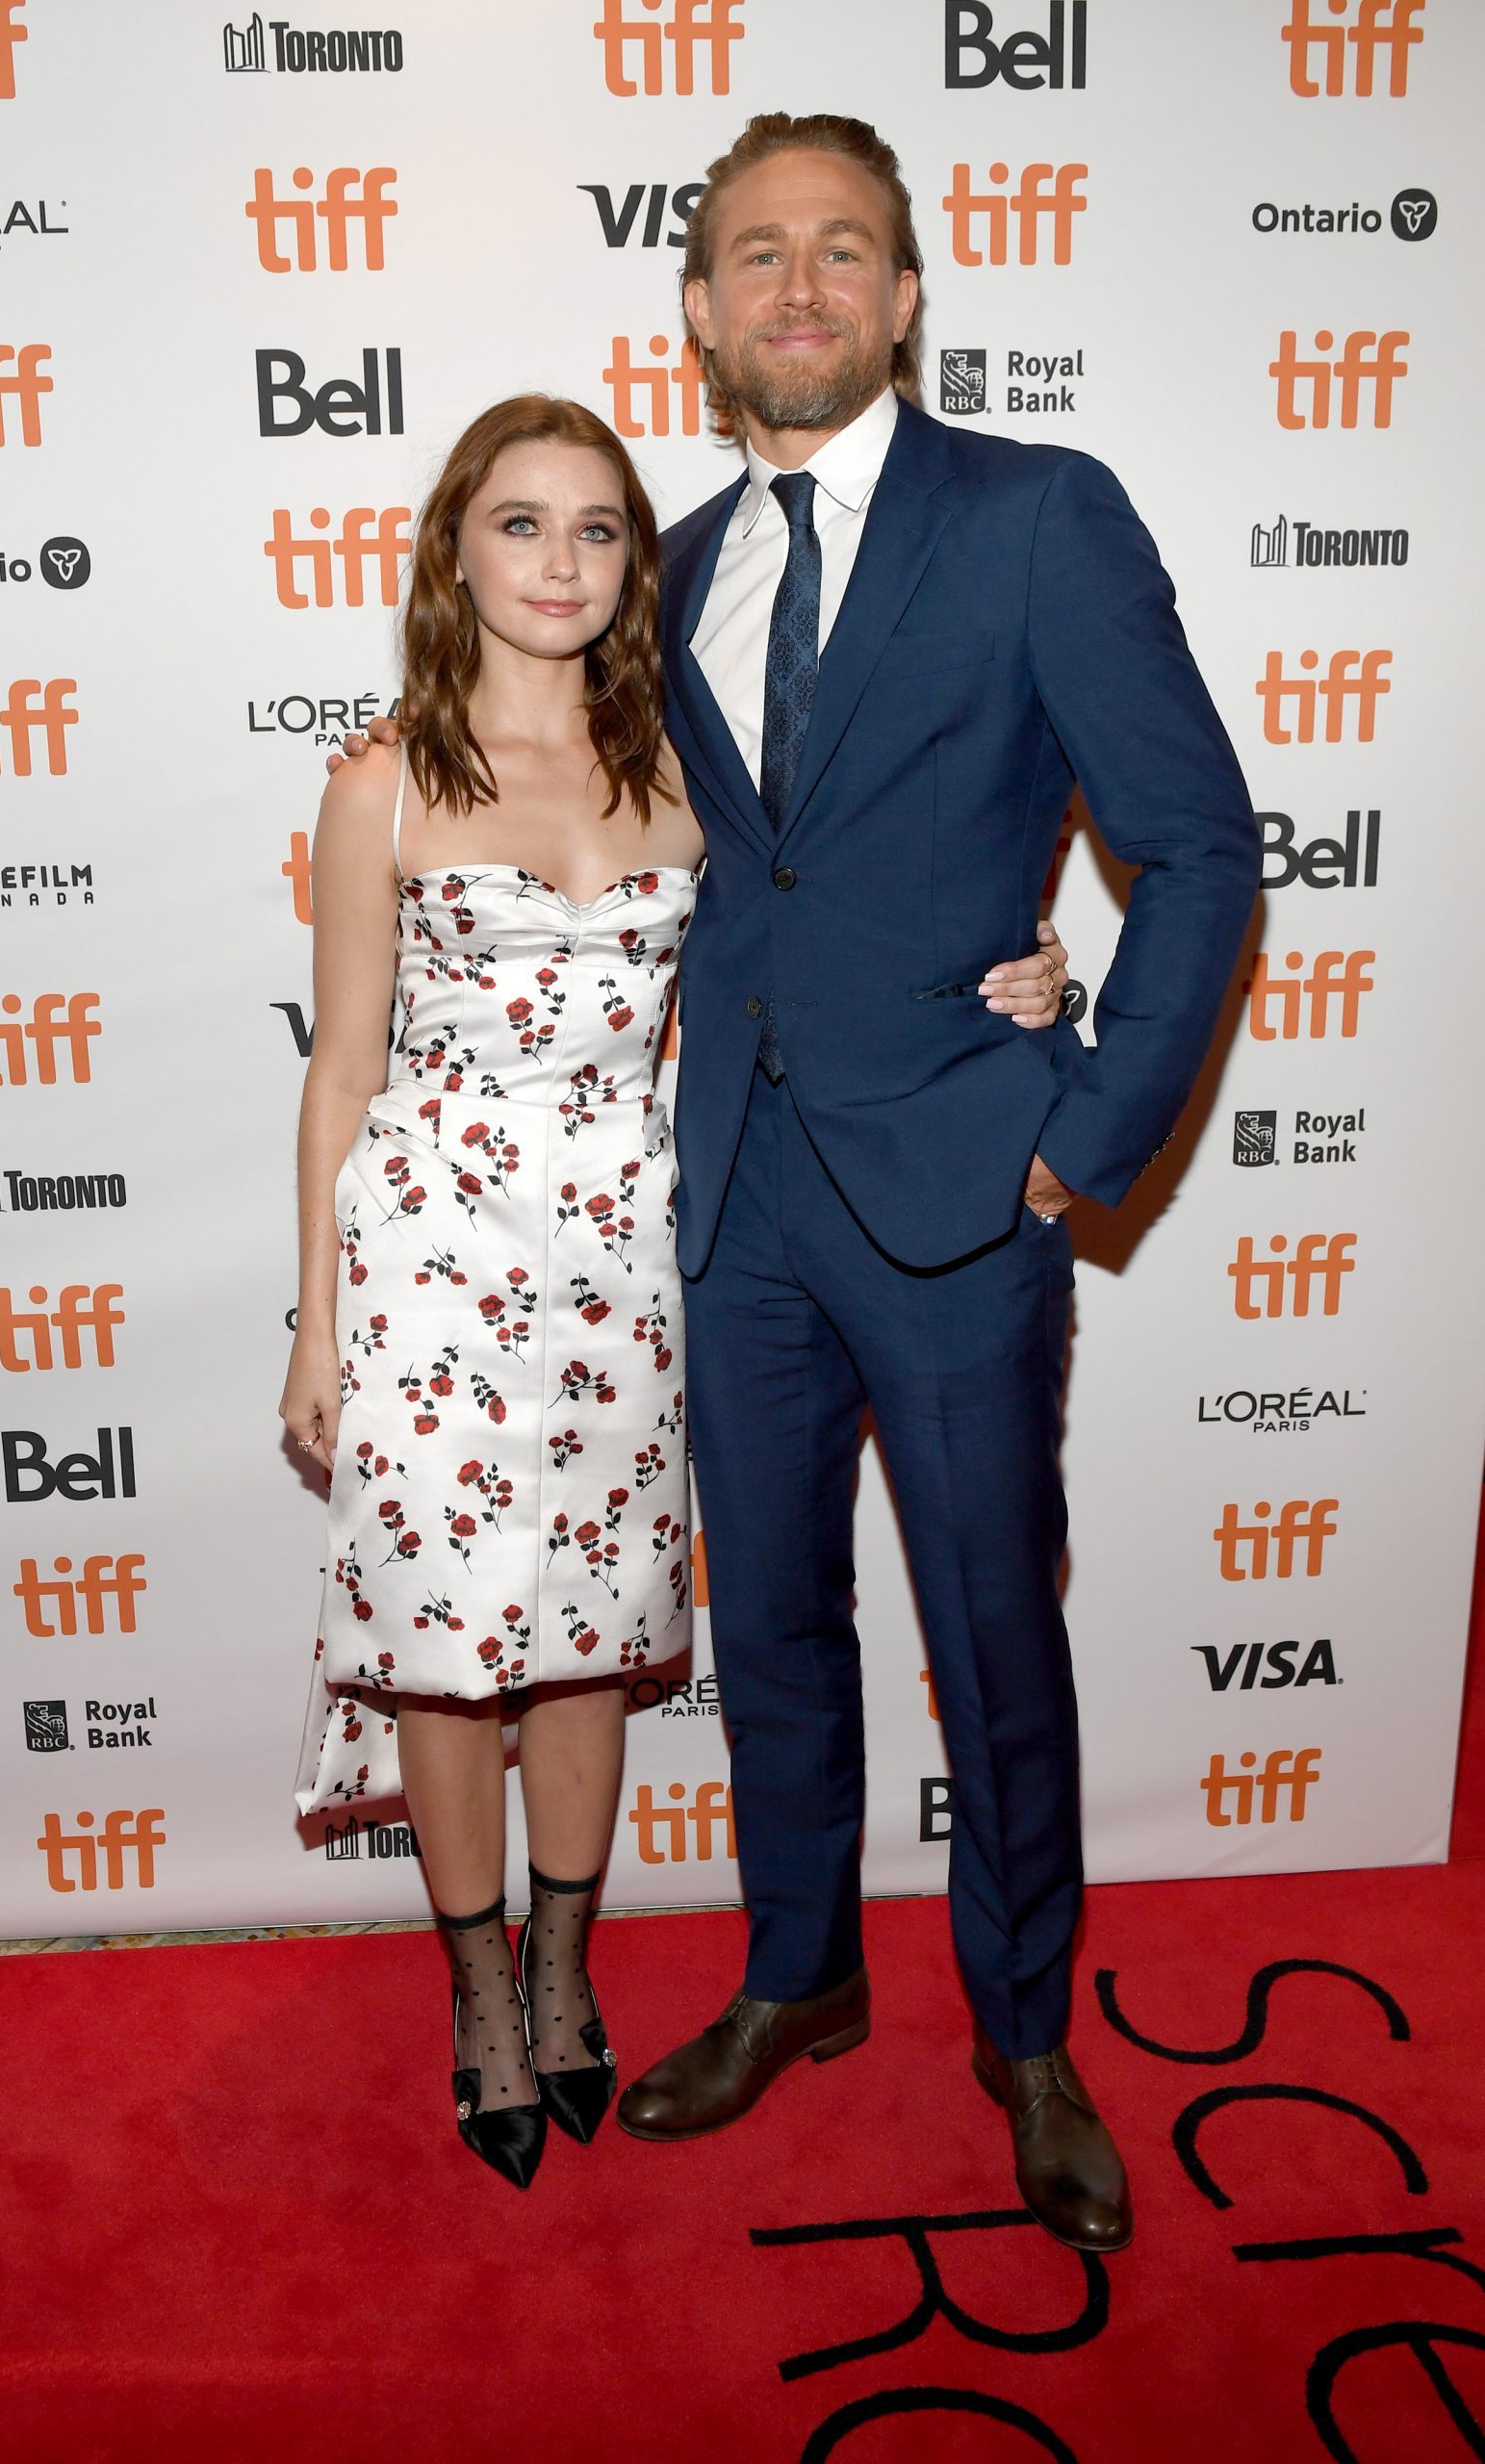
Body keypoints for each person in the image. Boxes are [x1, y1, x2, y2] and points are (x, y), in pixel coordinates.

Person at [339, 112, 1260, 2246]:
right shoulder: (658, 570)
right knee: (766, 1623)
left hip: (962, 1182)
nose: (800, 285)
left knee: (989, 1630)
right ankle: (797, 1971)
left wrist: (1086, 1128)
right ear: (698, 310)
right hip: (726, 1195)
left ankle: (1026, 2037)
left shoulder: (1036, 515)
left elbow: (1204, 845)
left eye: (845, 248)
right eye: (756, 253)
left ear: (908, 296)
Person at [284, 391, 1070, 2191]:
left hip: (636, 1257)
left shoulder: (684, 769)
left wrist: (1022, 963)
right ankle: (480, 1998)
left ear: (636, 565)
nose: (560, 562)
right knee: (449, 1651)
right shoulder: (380, 782)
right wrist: (319, 1322)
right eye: (520, 523)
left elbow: (847, 894)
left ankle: (566, 1974)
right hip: (433, 1264)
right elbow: (340, 1069)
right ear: (454, 548)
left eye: (598, 529)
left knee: (589, 1632)